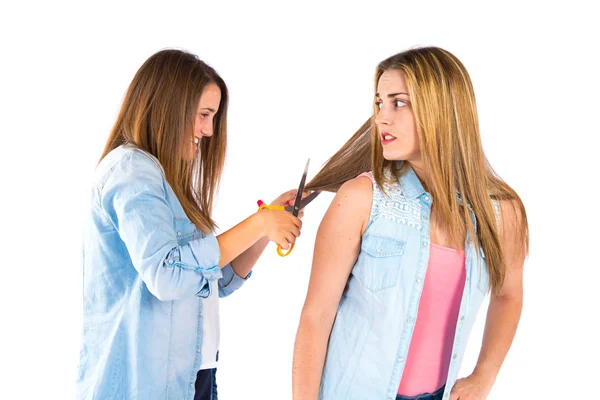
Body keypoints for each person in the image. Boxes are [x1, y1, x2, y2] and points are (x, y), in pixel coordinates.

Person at [292, 46, 528, 400]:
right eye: (379, 103)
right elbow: (315, 319)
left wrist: (484, 375)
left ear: (441, 109)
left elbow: (508, 295)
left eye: (398, 103)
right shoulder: (360, 199)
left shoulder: (502, 213)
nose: (381, 118)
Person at [76, 49, 302, 400]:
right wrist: (259, 224)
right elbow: (167, 276)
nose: (208, 130)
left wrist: (266, 230)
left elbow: (216, 281)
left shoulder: (165, 180)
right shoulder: (133, 172)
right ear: (169, 108)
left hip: (193, 376)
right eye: (203, 115)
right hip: (147, 386)